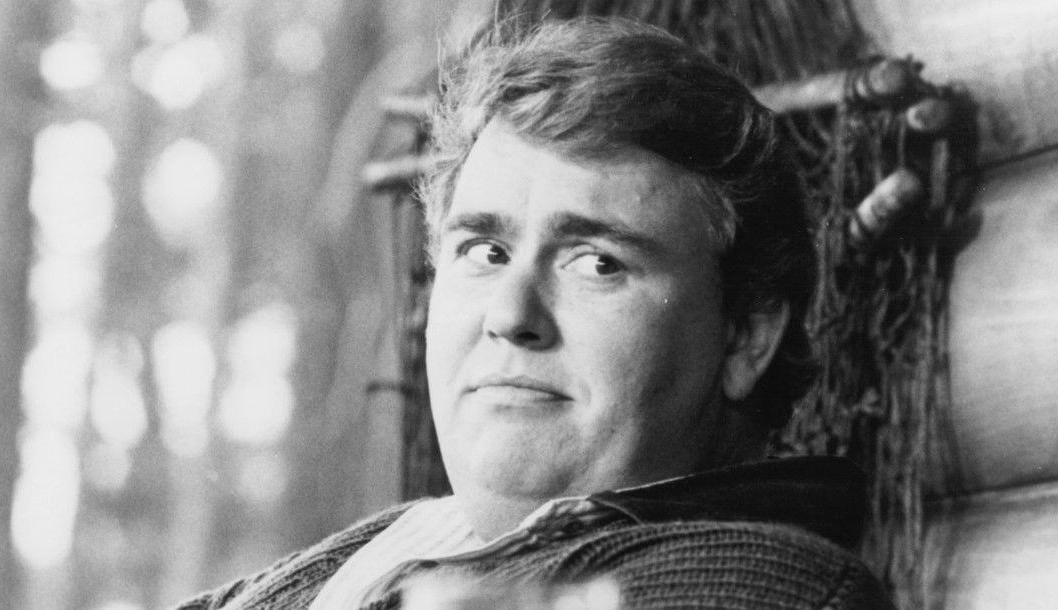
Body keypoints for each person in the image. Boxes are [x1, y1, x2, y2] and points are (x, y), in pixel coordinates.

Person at [175, 17, 891, 610]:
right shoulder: (398, 546)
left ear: (746, 338)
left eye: (596, 263)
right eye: (485, 251)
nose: (511, 314)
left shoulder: (764, 588)